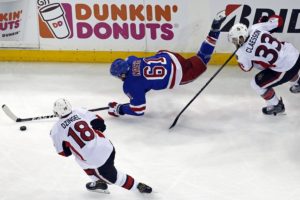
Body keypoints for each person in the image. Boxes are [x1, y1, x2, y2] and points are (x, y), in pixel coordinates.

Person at [107, 10, 227, 117]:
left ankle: (214, 31)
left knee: (202, 59)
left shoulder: (129, 86)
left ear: (122, 74)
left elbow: (139, 110)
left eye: (118, 76)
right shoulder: (130, 59)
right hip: (169, 56)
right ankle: (213, 32)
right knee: (185, 60)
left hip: (176, 74)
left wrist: (119, 109)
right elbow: (141, 81)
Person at [50, 98, 152, 194]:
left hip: (97, 161)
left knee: (114, 178)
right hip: (107, 146)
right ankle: (99, 182)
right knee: (81, 158)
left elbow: (64, 153)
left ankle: (137, 185)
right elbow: (101, 124)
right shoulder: (79, 111)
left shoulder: (56, 130)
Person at [228, 15, 300, 115]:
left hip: (287, 68)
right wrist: (267, 20)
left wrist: (238, 58)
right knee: (279, 62)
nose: (236, 42)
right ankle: (298, 82)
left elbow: (246, 68)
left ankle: (276, 105)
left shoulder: (241, 52)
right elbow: (279, 20)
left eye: (236, 40)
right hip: (295, 54)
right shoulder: (255, 27)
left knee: (256, 84)